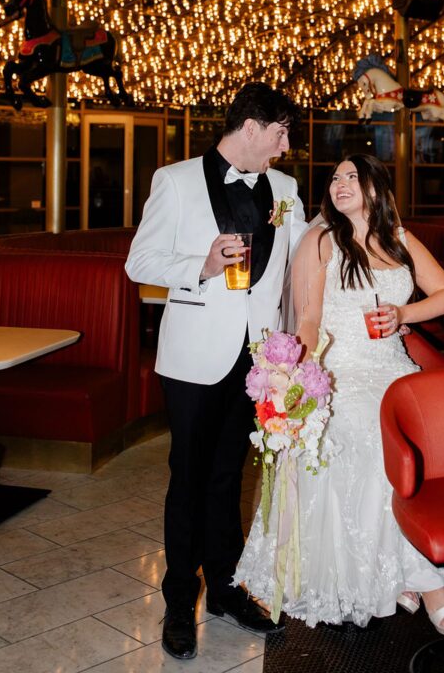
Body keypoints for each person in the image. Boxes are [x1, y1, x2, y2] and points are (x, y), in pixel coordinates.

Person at [235, 154, 444, 631]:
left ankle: (398, 575)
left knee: (433, 441)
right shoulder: (322, 241)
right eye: (336, 178)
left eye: (353, 176)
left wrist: (403, 315)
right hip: (340, 372)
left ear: (376, 189)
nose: (341, 183)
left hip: (395, 370)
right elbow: (307, 318)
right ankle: (430, 584)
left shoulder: (400, 239)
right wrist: (294, 383)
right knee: (374, 436)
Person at [125, 83, 307, 660]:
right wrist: (200, 264)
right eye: (280, 132)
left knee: (230, 476)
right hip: (194, 355)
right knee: (189, 476)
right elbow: (139, 262)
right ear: (251, 127)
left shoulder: (286, 189)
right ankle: (180, 599)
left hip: (257, 358)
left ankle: (225, 589)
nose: (285, 146)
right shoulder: (174, 181)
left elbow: (304, 257)